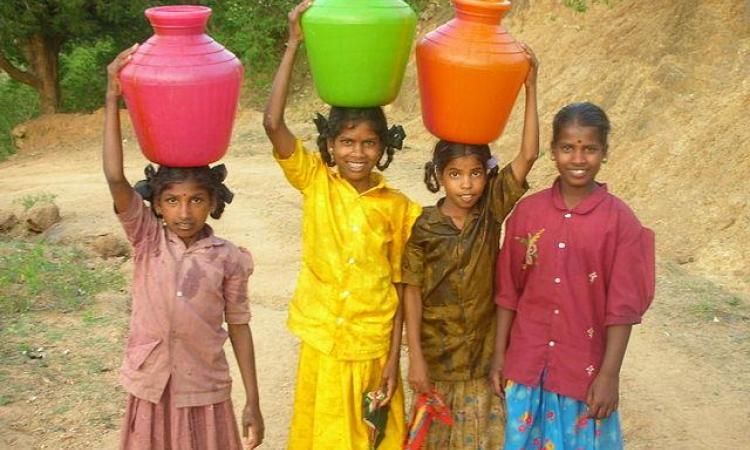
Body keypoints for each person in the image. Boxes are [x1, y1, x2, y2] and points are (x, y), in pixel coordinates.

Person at [262, 1, 422, 448]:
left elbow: (399, 284)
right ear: (329, 145)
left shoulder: (398, 208)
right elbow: (272, 123)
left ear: (384, 147)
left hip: (373, 348)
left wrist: (394, 362)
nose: (357, 152)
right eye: (347, 141)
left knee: (375, 438)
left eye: (369, 143)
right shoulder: (315, 181)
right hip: (324, 341)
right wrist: (294, 42)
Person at [104, 46, 263, 450]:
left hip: (203, 388)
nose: (185, 211)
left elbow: (240, 327)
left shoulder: (230, 258)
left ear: (213, 203)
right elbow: (113, 176)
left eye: (196, 200)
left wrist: (253, 401)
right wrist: (111, 98)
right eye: (172, 201)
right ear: (155, 206)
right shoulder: (147, 240)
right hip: (151, 383)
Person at [491, 102, 655, 449]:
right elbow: (508, 291)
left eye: (589, 149)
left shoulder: (620, 221)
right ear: (553, 151)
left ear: (604, 153)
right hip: (527, 368)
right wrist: (499, 356)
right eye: (568, 148)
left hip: (582, 375)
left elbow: (622, 308)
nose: (578, 159)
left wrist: (609, 376)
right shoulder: (528, 213)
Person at [401, 43, 539, 449]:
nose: (467, 184)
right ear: (439, 176)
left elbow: (529, 155)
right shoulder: (423, 226)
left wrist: (531, 85)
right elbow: (411, 292)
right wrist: (416, 359)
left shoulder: (490, 211)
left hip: (481, 357)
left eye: (476, 173)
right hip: (437, 359)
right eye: (456, 174)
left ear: (486, 176)